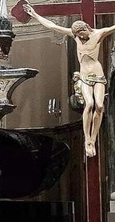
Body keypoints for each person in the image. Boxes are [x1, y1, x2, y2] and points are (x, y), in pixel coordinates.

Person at [24, 2, 115, 157]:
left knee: (99, 106)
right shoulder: (75, 35)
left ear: (86, 28)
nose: (80, 38)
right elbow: (52, 26)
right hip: (85, 76)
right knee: (90, 104)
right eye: (78, 36)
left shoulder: (99, 33)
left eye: (82, 35)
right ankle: (88, 140)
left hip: (98, 76)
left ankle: (93, 138)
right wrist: (35, 15)